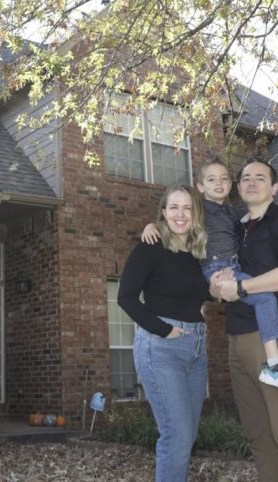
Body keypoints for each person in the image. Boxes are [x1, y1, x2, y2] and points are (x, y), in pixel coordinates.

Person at [142, 160, 278, 391]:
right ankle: (274, 362)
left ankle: (273, 362)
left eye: (224, 179)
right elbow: (177, 219)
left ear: (231, 185)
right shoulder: (199, 210)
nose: (218, 183)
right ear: (200, 186)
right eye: (211, 180)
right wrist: (153, 226)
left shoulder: (235, 213)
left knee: (263, 296)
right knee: (265, 297)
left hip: (233, 267)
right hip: (214, 267)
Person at [212, 159, 278, 482]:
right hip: (236, 337)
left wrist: (242, 287)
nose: (251, 182)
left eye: (260, 177)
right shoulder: (232, 228)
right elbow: (217, 281)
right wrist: (217, 286)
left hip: (276, 334)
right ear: (238, 187)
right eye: (246, 178)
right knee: (258, 435)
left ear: (275, 188)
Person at [117, 184, 210, 482]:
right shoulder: (151, 246)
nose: (181, 214)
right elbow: (126, 297)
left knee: (187, 435)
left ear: (196, 213)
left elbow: (204, 293)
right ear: (163, 213)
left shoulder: (198, 253)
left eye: (187, 208)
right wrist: (164, 329)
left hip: (196, 348)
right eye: (174, 207)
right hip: (161, 347)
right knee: (177, 435)